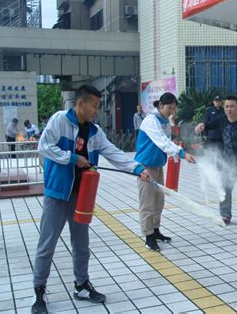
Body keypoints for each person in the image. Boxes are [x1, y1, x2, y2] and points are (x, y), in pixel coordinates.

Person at [31, 85, 152, 314]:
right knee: (47, 245)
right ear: (80, 104)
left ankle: (81, 285)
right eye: (95, 106)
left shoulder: (95, 131)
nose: (97, 110)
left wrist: (137, 168)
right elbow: (44, 146)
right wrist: (72, 158)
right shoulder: (60, 120)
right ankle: (39, 291)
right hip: (57, 193)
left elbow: (113, 152)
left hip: (82, 194)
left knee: (82, 244)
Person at [135, 92, 196, 252]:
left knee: (158, 201)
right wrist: (182, 153)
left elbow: (168, 142)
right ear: (161, 106)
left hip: (157, 165)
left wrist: (177, 153)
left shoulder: (165, 122)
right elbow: (162, 142)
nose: (172, 112)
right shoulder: (151, 121)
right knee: (147, 202)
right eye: (169, 108)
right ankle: (148, 237)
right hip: (145, 167)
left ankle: (156, 231)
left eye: (174, 109)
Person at [194, 95, 237, 227]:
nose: (229, 109)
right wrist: (201, 125)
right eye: (226, 106)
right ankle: (225, 215)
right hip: (227, 163)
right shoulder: (221, 120)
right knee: (225, 189)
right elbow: (207, 125)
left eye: (232, 106)